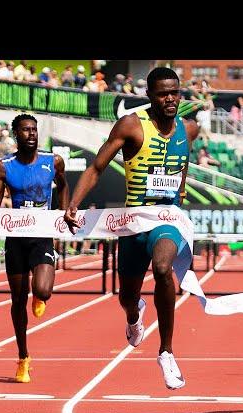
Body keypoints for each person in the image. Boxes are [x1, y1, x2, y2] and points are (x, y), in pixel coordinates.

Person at [64, 67, 200, 390]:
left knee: (164, 268)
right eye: (163, 93)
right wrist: (75, 203)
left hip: (167, 220)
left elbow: (182, 167)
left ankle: (166, 351)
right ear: (149, 96)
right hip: (133, 224)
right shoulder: (131, 126)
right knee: (127, 296)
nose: (170, 99)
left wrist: (177, 196)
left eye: (175, 92)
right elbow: (97, 167)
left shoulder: (188, 129)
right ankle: (133, 313)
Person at [0, 114, 69, 383]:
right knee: (17, 300)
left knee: (43, 290)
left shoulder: (52, 161)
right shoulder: (3, 167)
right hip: (16, 239)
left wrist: (63, 214)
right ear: (16, 135)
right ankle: (23, 358)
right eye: (25, 131)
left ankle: (39, 295)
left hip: (42, 235)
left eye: (34, 130)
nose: (31, 134)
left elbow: (64, 186)